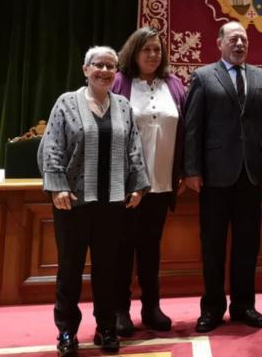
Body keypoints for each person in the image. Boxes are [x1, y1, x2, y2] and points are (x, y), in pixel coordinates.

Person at [38, 46, 150, 357]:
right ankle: (67, 331)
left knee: (108, 269)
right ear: (86, 69)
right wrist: (57, 186)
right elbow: (52, 148)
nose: (104, 71)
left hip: (112, 203)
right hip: (72, 203)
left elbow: (134, 150)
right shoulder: (66, 103)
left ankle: (106, 327)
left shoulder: (124, 106)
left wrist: (138, 187)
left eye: (110, 66)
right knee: (70, 270)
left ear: (117, 73)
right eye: (98, 65)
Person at [183, 21, 262, 333]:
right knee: (212, 244)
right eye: (233, 39)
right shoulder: (203, 76)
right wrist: (192, 170)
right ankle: (212, 308)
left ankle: (244, 306)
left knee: (247, 244)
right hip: (213, 176)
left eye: (244, 39)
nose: (239, 44)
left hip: (250, 174)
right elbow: (192, 127)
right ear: (220, 43)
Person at [110, 27, 186, 336]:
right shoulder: (119, 83)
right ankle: (119, 310)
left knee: (151, 248)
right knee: (123, 248)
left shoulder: (175, 85)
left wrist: (183, 170)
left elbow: (187, 129)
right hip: (127, 185)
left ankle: (151, 307)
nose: (153, 55)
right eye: (146, 50)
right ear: (133, 53)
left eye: (157, 49)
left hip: (162, 183)